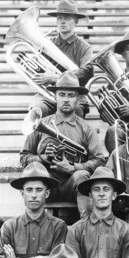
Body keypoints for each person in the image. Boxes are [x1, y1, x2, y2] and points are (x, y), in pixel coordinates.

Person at [20, 72, 107, 217]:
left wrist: (73, 168)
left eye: (71, 95)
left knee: (82, 175)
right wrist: (42, 158)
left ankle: (88, 225)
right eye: (62, 94)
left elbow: (99, 161)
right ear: (55, 97)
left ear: (78, 99)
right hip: (48, 185)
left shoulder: (86, 128)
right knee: (36, 179)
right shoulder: (41, 124)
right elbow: (24, 157)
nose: (66, 99)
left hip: (73, 185)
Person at [29, 0, 93, 119]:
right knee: (37, 109)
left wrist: (56, 77)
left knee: (76, 111)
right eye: (60, 18)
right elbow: (39, 74)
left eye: (67, 18)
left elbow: (87, 72)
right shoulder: (46, 44)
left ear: (76, 21)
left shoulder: (85, 47)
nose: (62, 21)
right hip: (49, 96)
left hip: (75, 96)